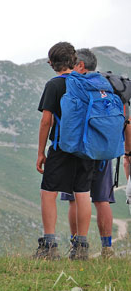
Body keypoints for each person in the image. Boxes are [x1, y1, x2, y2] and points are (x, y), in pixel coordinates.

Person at [35, 42, 94, 260]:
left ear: (52, 63)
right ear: (74, 61)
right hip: (87, 147)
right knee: (82, 193)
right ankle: (81, 247)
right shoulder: (86, 83)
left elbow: (46, 121)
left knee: (48, 192)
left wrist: (41, 152)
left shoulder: (55, 85)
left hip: (61, 147)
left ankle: (50, 245)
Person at [59, 48, 117, 258]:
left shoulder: (77, 85)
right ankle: (107, 248)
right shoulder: (106, 86)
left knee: (76, 197)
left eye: (73, 64)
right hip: (104, 149)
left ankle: (77, 244)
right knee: (102, 200)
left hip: (82, 150)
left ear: (80, 65)